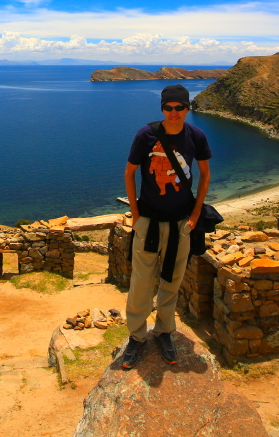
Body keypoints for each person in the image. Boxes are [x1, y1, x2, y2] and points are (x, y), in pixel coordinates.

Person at [120, 84, 211, 369]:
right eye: (169, 108)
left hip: (181, 222)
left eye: (180, 107)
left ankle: (163, 332)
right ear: (162, 109)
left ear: (187, 108)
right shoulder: (146, 135)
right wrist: (135, 213)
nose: (174, 113)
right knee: (141, 283)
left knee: (171, 283)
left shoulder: (196, 136)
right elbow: (129, 172)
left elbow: (205, 175)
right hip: (148, 220)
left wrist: (196, 213)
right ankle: (136, 337)